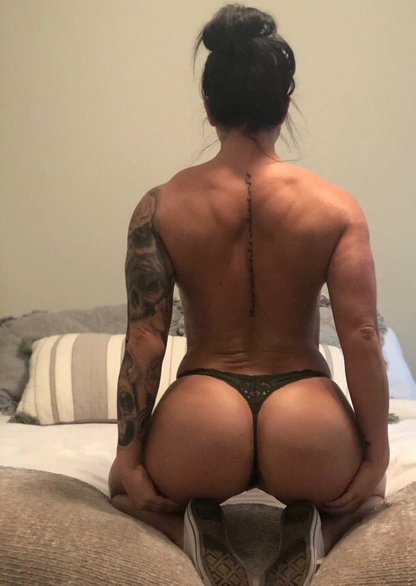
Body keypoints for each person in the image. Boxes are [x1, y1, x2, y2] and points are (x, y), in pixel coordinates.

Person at [109, 4, 389, 585]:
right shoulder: (336, 207)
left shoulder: (161, 205)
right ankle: (322, 527)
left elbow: (145, 338)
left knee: (123, 491)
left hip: (201, 423)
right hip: (307, 424)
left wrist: (128, 460)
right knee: (366, 495)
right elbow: (362, 336)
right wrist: (376, 455)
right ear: (284, 104)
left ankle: (188, 529)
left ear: (209, 107)